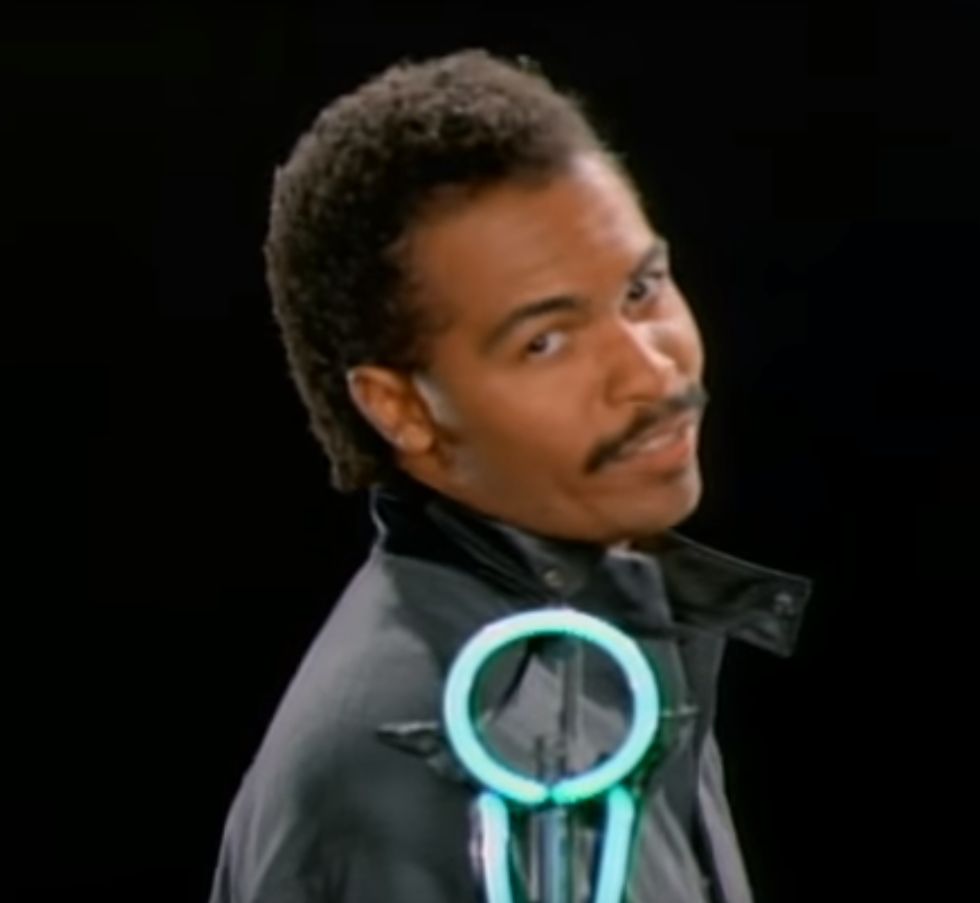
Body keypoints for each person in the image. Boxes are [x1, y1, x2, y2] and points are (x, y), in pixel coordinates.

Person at [208, 48, 813, 902]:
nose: (651, 372)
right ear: (401, 408)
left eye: (642, 289)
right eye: (546, 341)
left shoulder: (599, 644)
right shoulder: (418, 772)